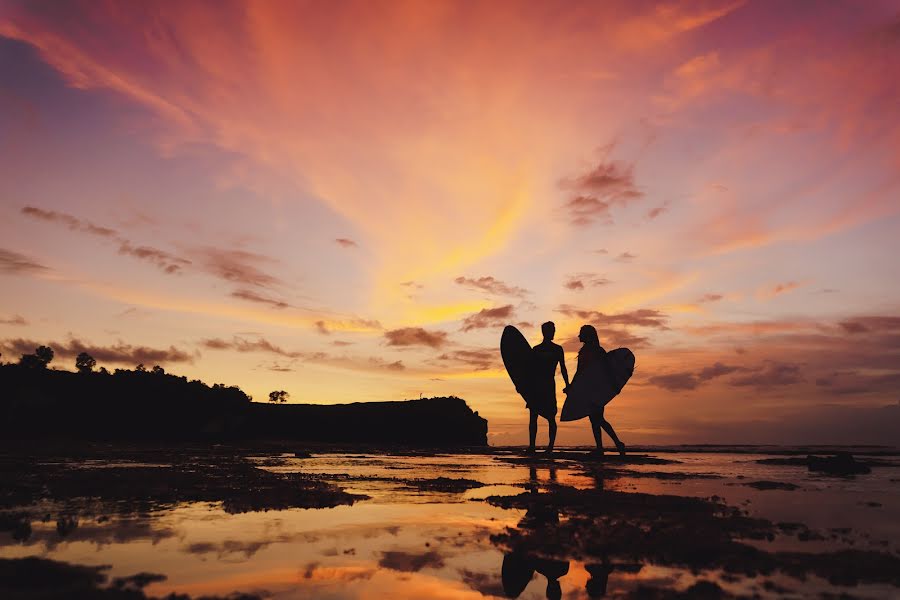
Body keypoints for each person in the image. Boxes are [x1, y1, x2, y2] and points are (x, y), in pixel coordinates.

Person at [566, 324, 626, 456]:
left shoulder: (599, 351)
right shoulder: (582, 352)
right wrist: (571, 386)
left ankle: (615, 444)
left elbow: (607, 371)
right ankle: (603, 447)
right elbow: (579, 372)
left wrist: (614, 386)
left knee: (598, 418)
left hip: (597, 390)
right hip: (586, 390)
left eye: (581, 333)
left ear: (587, 335)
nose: (579, 336)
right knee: (595, 419)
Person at [528, 321, 569, 454]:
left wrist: (568, 385)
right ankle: (532, 446)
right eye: (551, 330)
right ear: (545, 332)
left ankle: (550, 447)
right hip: (536, 385)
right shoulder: (536, 350)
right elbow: (528, 370)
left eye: (554, 330)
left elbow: (563, 368)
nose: (553, 332)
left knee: (551, 416)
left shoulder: (557, 349)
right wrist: (522, 385)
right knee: (533, 415)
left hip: (548, 386)